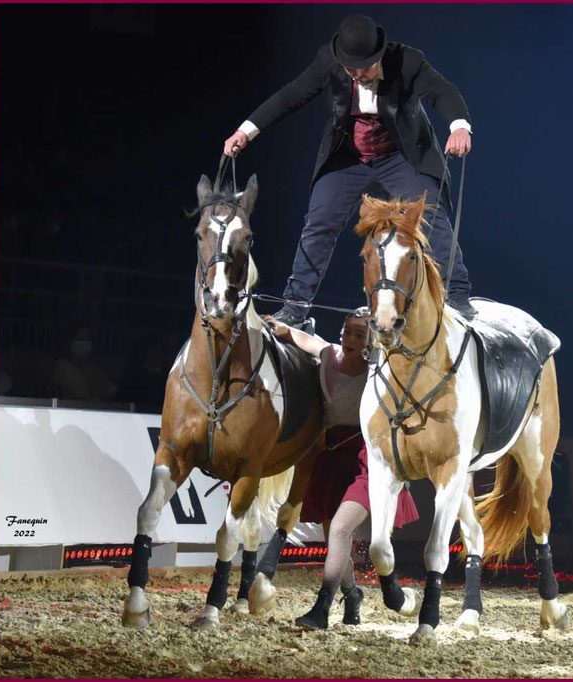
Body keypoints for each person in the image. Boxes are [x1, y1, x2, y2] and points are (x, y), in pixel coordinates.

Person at [225, 14, 475, 324]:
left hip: (400, 155)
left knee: (431, 214)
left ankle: (458, 295)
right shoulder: (327, 62)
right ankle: (295, 306)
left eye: (364, 68)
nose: (357, 75)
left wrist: (459, 127)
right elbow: (290, 96)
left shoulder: (407, 61)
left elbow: (442, 92)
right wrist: (245, 131)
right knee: (319, 223)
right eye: (350, 69)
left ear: (379, 56)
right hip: (348, 158)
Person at [263, 308, 419, 630]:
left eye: (359, 334)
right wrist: (276, 326)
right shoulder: (329, 355)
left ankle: (321, 609)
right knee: (334, 537)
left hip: (368, 458)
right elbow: (299, 337)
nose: (350, 338)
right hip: (331, 457)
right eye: (348, 331)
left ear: (371, 341)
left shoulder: (380, 367)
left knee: (339, 530)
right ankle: (352, 593)